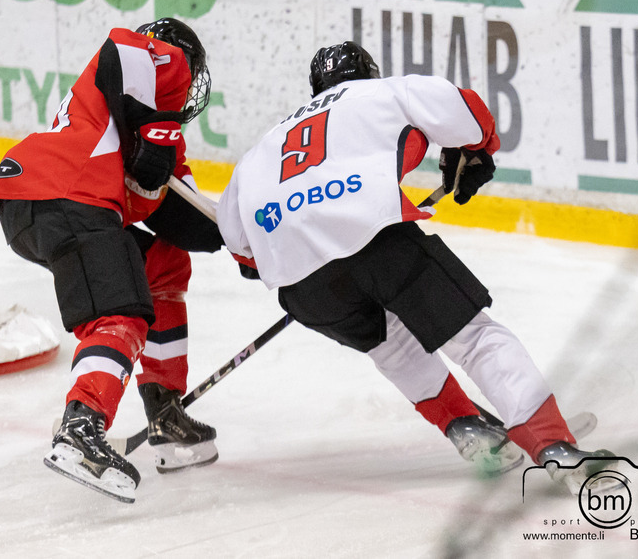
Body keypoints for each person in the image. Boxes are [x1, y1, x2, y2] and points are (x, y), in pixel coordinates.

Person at [216, 42, 616, 493]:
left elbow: (240, 246)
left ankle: (468, 429)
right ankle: (555, 448)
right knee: (476, 338)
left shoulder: (260, 150)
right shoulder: (386, 92)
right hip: (378, 245)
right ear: (368, 72)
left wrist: (290, 256)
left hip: (302, 289)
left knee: (393, 347)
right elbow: (469, 112)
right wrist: (473, 152)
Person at [0, 18, 224, 503]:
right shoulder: (150, 66)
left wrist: (246, 244)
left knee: (164, 263)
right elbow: (125, 46)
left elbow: (188, 220)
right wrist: (159, 119)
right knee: (120, 313)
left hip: (33, 202)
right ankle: (81, 426)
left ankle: (164, 409)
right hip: (65, 195)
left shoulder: (144, 131)